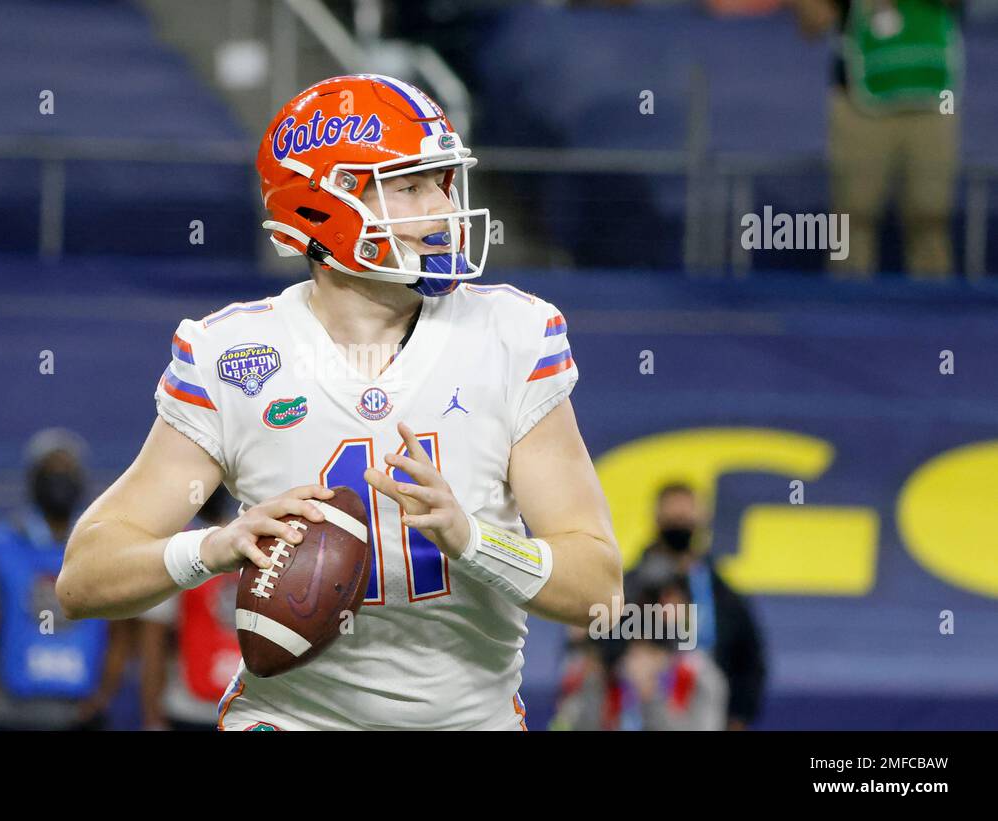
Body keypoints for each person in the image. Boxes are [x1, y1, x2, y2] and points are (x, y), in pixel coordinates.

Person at [56, 74, 623, 731]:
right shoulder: (235, 355)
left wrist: (474, 540)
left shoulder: (511, 337)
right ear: (326, 205)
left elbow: (599, 589)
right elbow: (84, 578)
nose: (443, 209)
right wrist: (212, 548)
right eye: (410, 186)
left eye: (442, 183)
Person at [0, 428, 135, 731]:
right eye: (50, 471)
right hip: (11, 716)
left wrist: (102, 697)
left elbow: (121, 632)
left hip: (80, 720)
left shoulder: (103, 548)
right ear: (33, 479)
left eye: (68, 471)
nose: (59, 479)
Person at [792, 0, 964, 279]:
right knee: (852, 221)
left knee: (932, 218)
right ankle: (847, 300)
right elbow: (812, 24)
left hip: (938, 99)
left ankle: (934, 301)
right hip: (859, 102)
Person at [634, 482, 767, 729]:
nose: (679, 527)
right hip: (644, 708)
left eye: (685, 519)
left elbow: (750, 658)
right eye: (673, 519)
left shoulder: (723, 593)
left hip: (707, 713)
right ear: (657, 520)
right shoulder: (631, 584)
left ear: (701, 521)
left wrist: (738, 717)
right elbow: (605, 643)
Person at [550, 554, 728, 731]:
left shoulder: (699, 678)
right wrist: (594, 680)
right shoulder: (612, 677)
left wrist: (651, 695)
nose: (635, 661)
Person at [139, 489, 242, 731]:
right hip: (200, 708)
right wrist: (153, 714)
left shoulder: (174, 552)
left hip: (224, 709)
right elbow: (153, 640)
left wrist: (152, 714)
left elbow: (153, 642)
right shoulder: (172, 552)